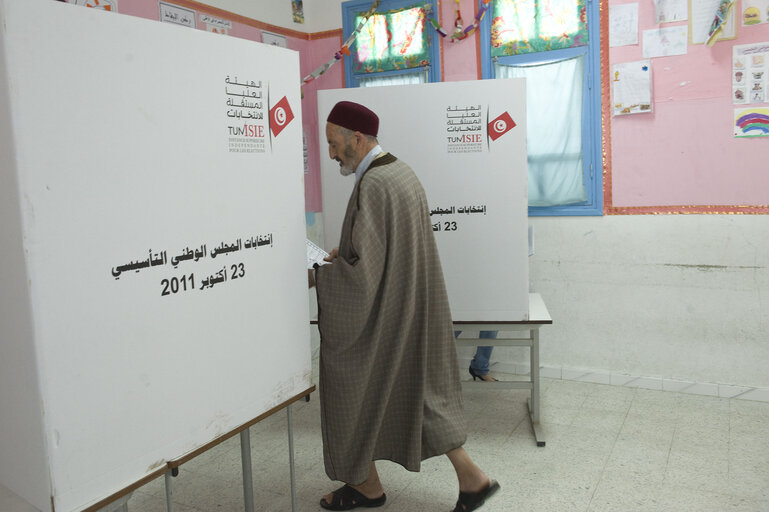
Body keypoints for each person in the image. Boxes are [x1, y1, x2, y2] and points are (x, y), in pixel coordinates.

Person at [308, 101, 499, 512]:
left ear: (357, 139)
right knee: (417, 393)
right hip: (411, 302)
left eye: (334, 143)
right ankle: (471, 479)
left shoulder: (374, 183)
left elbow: (365, 275)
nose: (331, 153)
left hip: (386, 311)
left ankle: (365, 485)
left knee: (349, 390)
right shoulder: (400, 171)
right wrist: (350, 251)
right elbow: (379, 247)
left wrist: (322, 274)